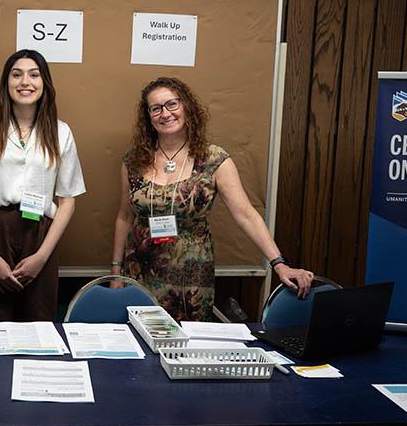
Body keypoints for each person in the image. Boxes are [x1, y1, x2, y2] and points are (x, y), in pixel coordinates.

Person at [111, 77, 312, 321]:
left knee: (187, 346)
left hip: (190, 276)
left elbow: (246, 215)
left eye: (172, 104)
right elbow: (124, 216)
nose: (165, 113)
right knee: (137, 339)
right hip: (139, 269)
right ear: (149, 117)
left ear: (186, 107)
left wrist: (280, 264)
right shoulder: (134, 160)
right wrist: (116, 271)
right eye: (156, 108)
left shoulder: (214, 159)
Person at [0, 49, 85, 323]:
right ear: (6, 83)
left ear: (44, 83)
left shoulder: (61, 132)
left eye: (34, 75)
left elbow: (68, 200)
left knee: (39, 321)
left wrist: (42, 257)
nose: (25, 81)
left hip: (40, 235)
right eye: (17, 74)